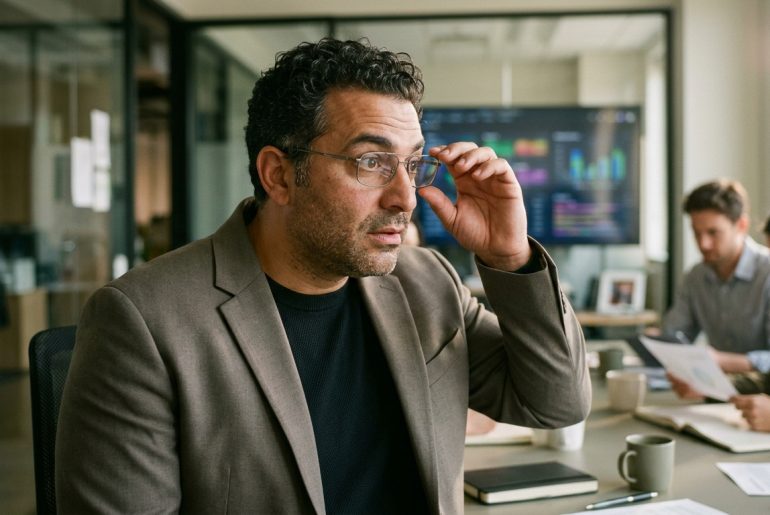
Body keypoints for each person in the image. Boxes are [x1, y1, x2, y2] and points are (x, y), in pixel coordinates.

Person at [56, 38, 590, 514]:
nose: (405, 198)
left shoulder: (424, 280)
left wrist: (511, 258)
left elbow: (555, 402)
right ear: (279, 174)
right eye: (371, 163)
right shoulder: (144, 321)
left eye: (412, 164)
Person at [662, 179, 770, 398]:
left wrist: (721, 361)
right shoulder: (696, 276)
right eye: (696, 232)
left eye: (713, 233)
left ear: (741, 225)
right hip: (718, 393)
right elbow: (674, 334)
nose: (703, 244)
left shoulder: (766, 273)